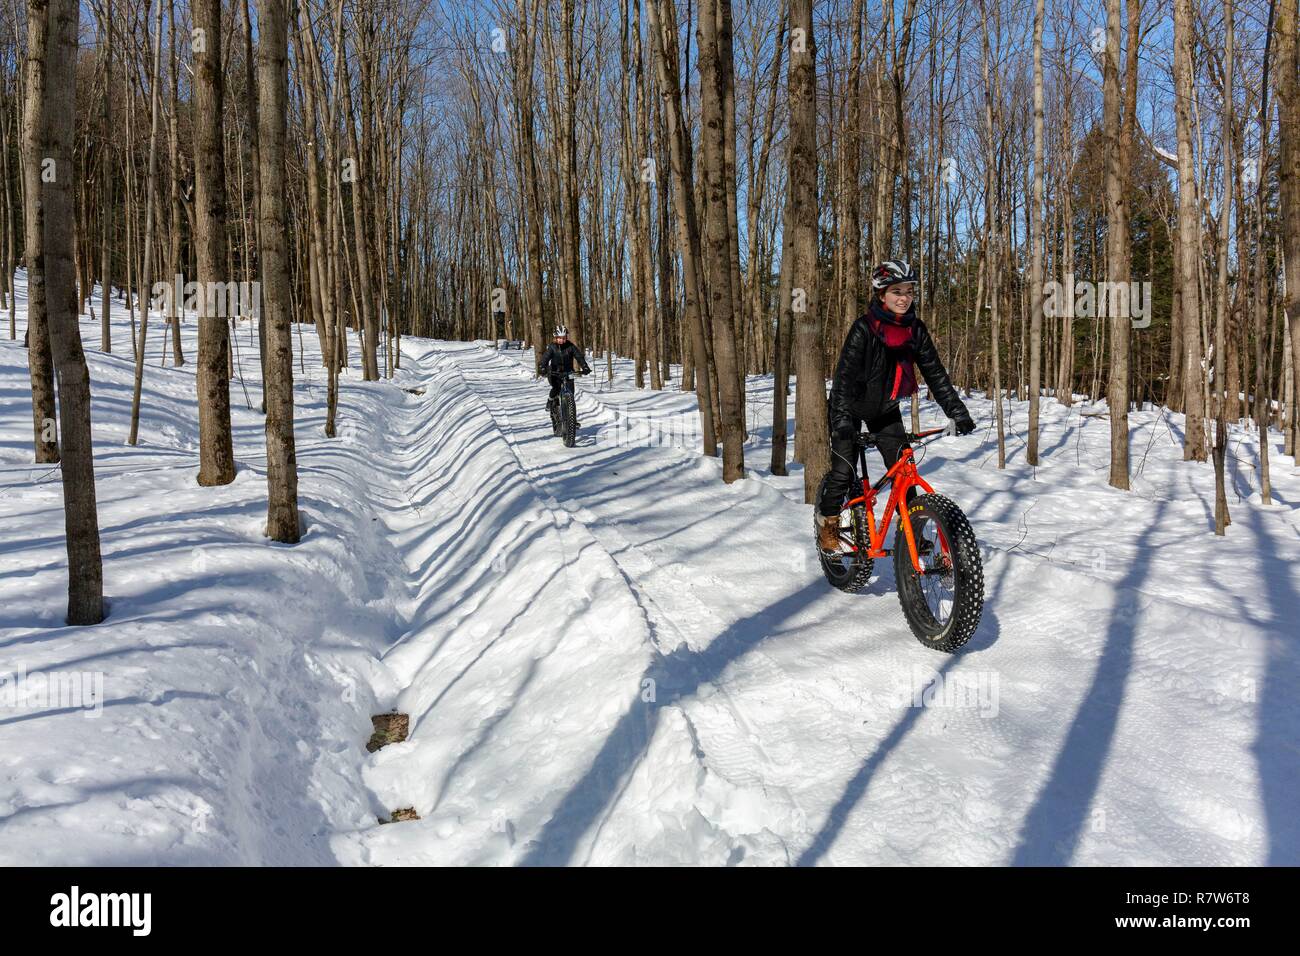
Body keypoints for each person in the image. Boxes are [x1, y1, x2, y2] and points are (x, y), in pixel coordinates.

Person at [817, 260, 975, 553]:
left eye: (909, 291)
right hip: (848, 408)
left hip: (885, 409)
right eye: (896, 291)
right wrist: (840, 423)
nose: (904, 298)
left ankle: (912, 534)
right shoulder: (863, 329)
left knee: (904, 473)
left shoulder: (915, 330)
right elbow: (842, 382)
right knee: (843, 471)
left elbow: (935, 374)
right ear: (881, 295)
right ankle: (828, 522)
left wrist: (957, 412)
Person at [537, 325, 591, 424]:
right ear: (555, 338)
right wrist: (542, 367)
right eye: (559, 338)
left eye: (564, 338)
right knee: (556, 388)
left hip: (568, 372)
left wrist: (585, 366)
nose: (561, 340)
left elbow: (579, 356)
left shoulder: (570, 346)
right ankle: (550, 400)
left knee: (571, 395)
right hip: (554, 373)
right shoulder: (552, 347)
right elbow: (545, 358)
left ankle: (572, 420)